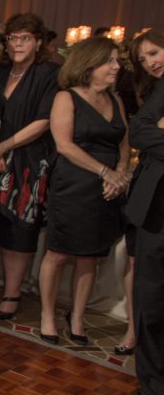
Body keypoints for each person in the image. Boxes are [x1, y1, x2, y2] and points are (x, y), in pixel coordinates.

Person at [0, 13, 59, 320]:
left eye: (25, 38)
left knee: (19, 229)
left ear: (38, 42)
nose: (17, 44)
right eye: (13, 38)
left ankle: (12, 291)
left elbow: (44, 121)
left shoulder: (48, 73)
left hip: (26, 163)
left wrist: (3, 147)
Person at [38, 37, 128, 344]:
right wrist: (106, 172)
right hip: (74, 183)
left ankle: (77, 318)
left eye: (117, 61)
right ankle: (47, 315)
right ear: (90, 64)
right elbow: (64, 145)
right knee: (58, 253)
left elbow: (124, 143)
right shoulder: (66, 98)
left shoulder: (116, 101)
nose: (117, 66)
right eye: (111, 61)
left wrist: (119, 176)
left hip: (107, 188)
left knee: (90, 256)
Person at [113, 32, 164, 395]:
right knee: (150, 302)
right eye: (143, 58)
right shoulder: (159, 90)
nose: (150, 62)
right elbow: (141, 130)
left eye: (155, 52)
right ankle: (152, 386)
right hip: (155, 213)